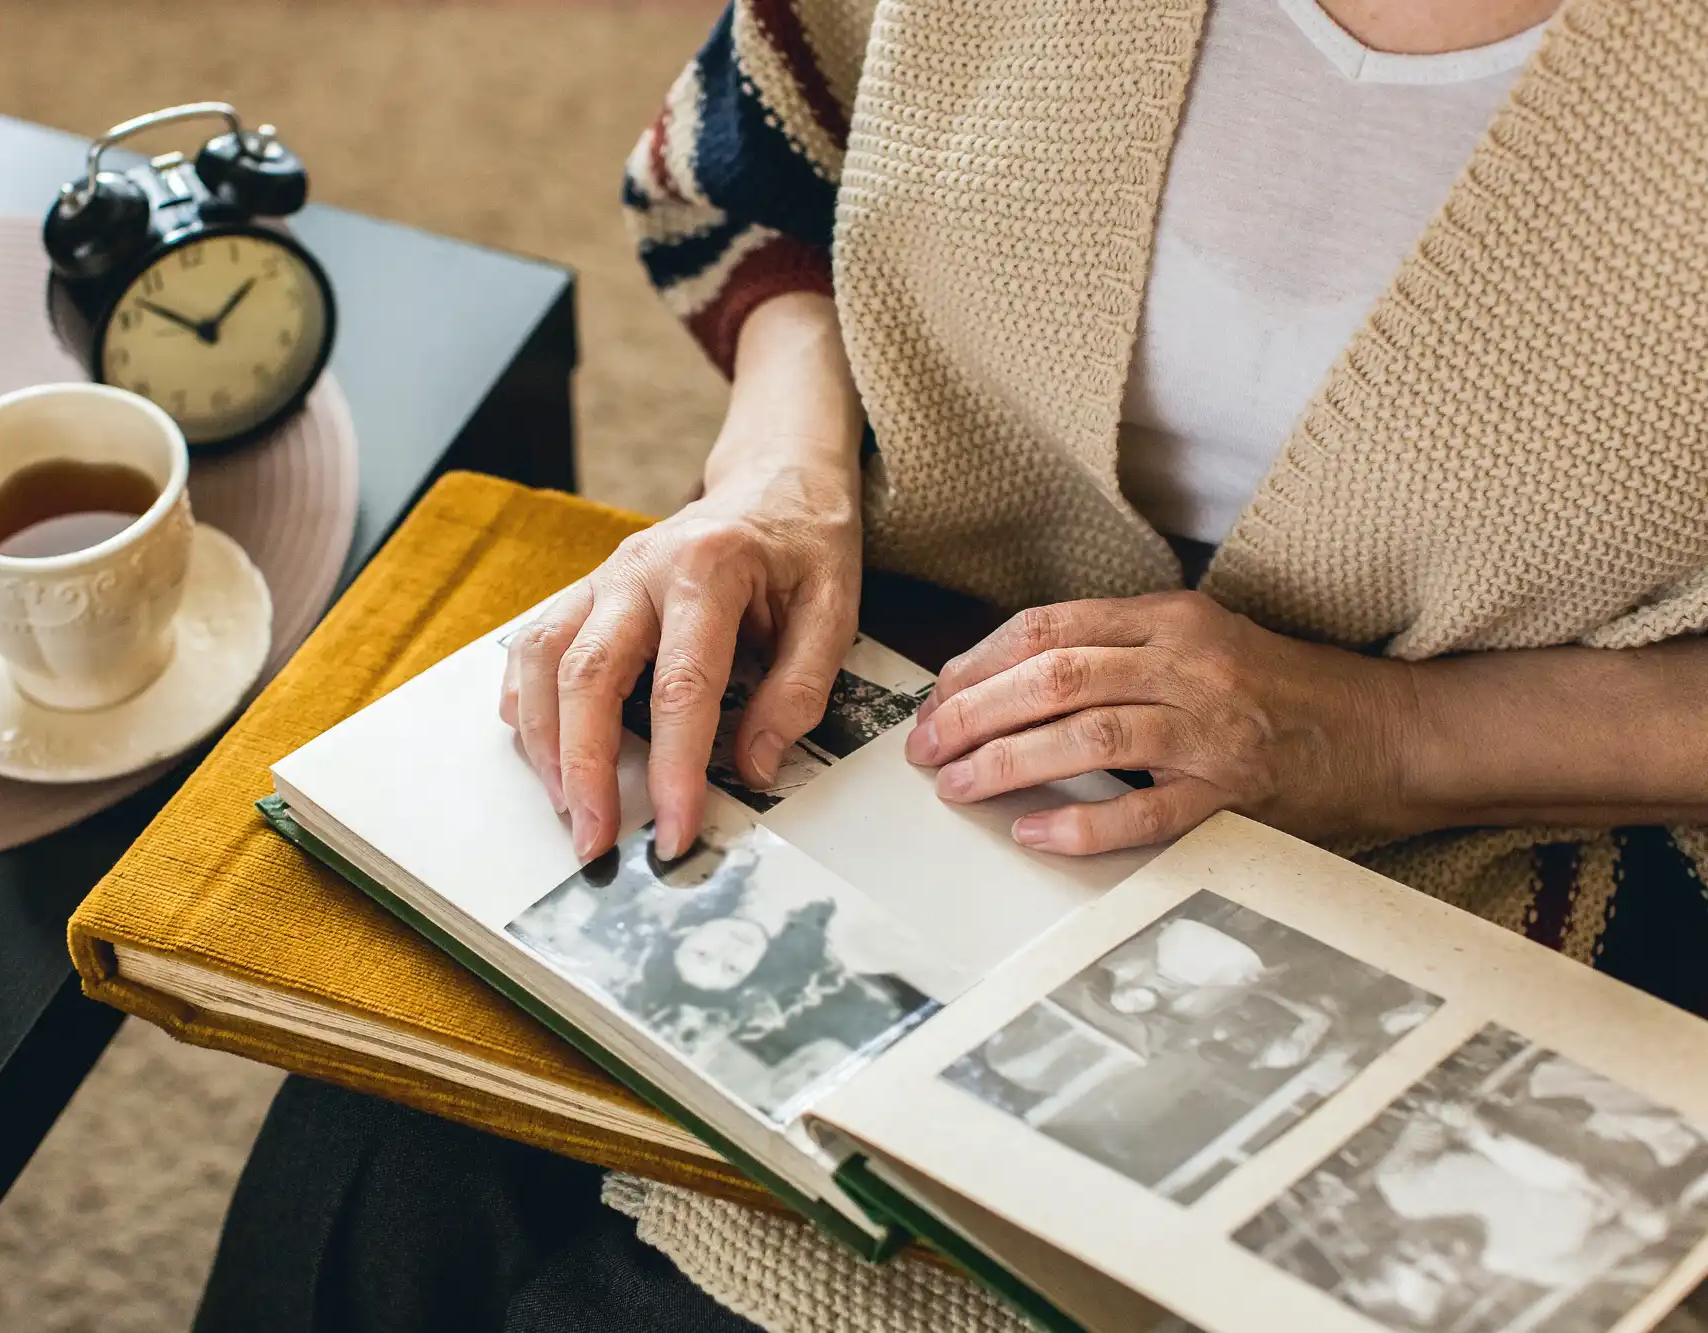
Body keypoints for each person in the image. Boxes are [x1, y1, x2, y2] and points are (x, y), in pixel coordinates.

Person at [200, 1, 1708, 1329]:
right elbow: (764, 164)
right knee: (379, 1161)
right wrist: (782, 478)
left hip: (1510, 834)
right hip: (883, 674)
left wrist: (1390, 741)